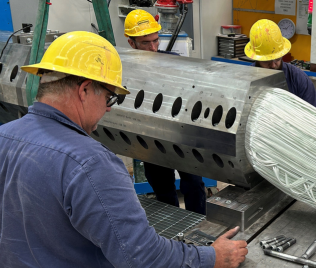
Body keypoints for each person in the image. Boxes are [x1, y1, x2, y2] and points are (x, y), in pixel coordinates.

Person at [0, 31, 247, 268]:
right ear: (84, 90)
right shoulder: (90, 163)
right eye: (109, 97)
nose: (108, 108)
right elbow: (143, 257)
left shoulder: (4, 137)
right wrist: (212, 258)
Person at [125, 9, 207, 214]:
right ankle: (173, 238)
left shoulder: (172, 62)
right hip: (151, 139)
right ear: (131, 43)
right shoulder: (125, 70)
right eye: (146, 43)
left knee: (194, 184)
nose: (153, 47)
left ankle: (198, 229)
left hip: (180, 135)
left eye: (155, 41)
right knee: (163, 191)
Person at [245, 19, 316, 108]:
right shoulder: (246, 80)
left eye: (277, 59)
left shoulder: (299, 80)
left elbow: (313, 115)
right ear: (256, 58)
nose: (273, 65)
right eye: (266, 61)